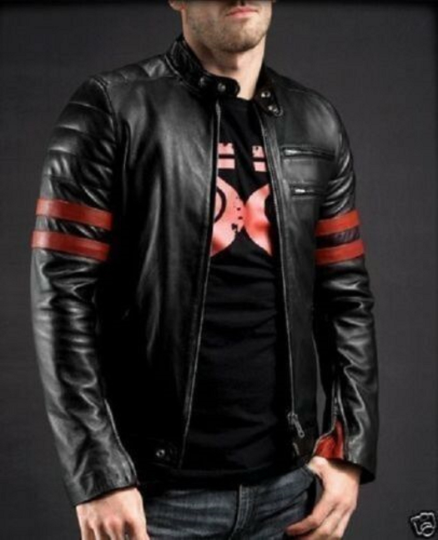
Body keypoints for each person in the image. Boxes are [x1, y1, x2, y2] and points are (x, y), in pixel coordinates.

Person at [29, 0, 379, 538]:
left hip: (289, 493)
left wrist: (349, 448)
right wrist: (98, 475)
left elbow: (346, 297)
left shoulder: (317, 122)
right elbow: (61, 297)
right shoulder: (111, 107)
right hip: (154, 499)